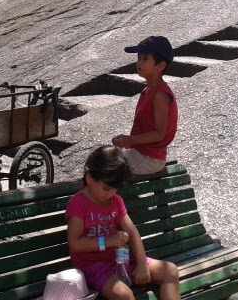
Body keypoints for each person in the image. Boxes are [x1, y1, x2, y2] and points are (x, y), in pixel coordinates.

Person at [65, 145, 180, 300]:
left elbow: (132, 232)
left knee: (170, 271)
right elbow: (75, 243)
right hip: (92, 268)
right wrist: (107, 241)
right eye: (106, 189)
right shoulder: (78, 203)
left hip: (118, 262)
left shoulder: (116, 201)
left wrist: (141, 264)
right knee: (124, 294)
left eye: (116, 189)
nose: (111, 194)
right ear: (90, 178)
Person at [112, 36, 178, 175]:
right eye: (139, 58)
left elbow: (159, 134)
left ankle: (116, 198)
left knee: (104, 166)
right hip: (140, 153)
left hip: (150, 159)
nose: (139, 63)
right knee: (101, 156)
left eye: (145, 59)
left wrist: (129, 140)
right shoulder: (147, 91)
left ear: (160, 66)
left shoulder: (160, 95)